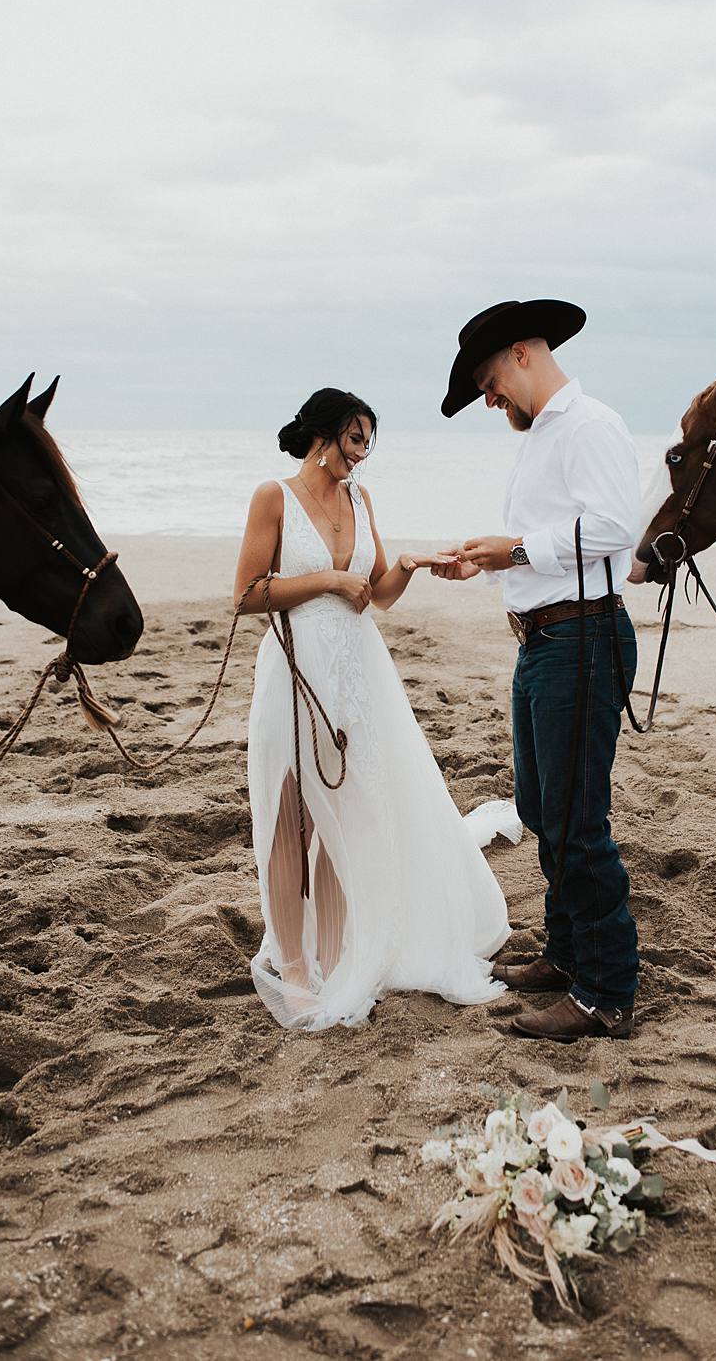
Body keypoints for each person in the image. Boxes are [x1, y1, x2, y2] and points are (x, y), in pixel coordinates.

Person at [233, 387, 515, 1030]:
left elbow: (377, 595)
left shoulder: (361, 499)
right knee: (292, 817)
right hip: (296, 671)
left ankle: (334, 958)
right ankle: (293, 965)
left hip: (358, 674)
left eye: (368, 443)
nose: (362, 455)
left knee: (346, 814)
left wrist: (410, 564)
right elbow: (247, 593)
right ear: (324, 435)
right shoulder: (273, 497)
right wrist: (330, 580)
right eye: (355, 440)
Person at [435, 301, 641, 1042]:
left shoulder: (589, 426)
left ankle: (605, 992)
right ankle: (565, 953)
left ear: (521, 354)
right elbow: (550, 541)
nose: (488, 400)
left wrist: (513, 549)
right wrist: (486, 566)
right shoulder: (543, 436)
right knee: (538, 811)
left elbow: (618, 527)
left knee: (575, 822)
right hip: (544, 640)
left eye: (488, 383)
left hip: (582, 640)